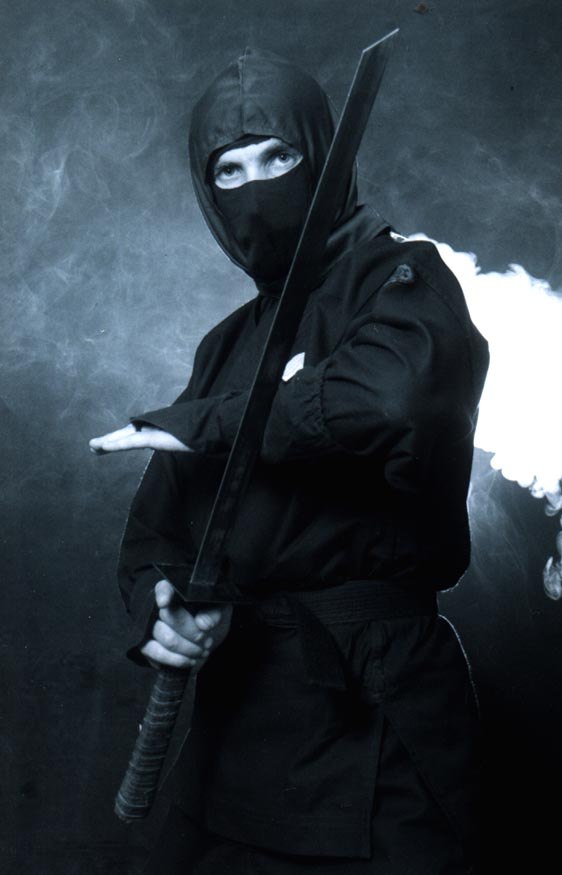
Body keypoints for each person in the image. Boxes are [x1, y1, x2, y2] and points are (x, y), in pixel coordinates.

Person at [90, 47, 489, 875]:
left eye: (278, 157)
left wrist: (213, 422)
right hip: (239, 728)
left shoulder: (403, 279)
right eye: (229, 171)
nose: (256, 187)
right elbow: (156, 534)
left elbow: (392, 400)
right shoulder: (225, 345)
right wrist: (163, 607)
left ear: (321, 152)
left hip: (375, 717)